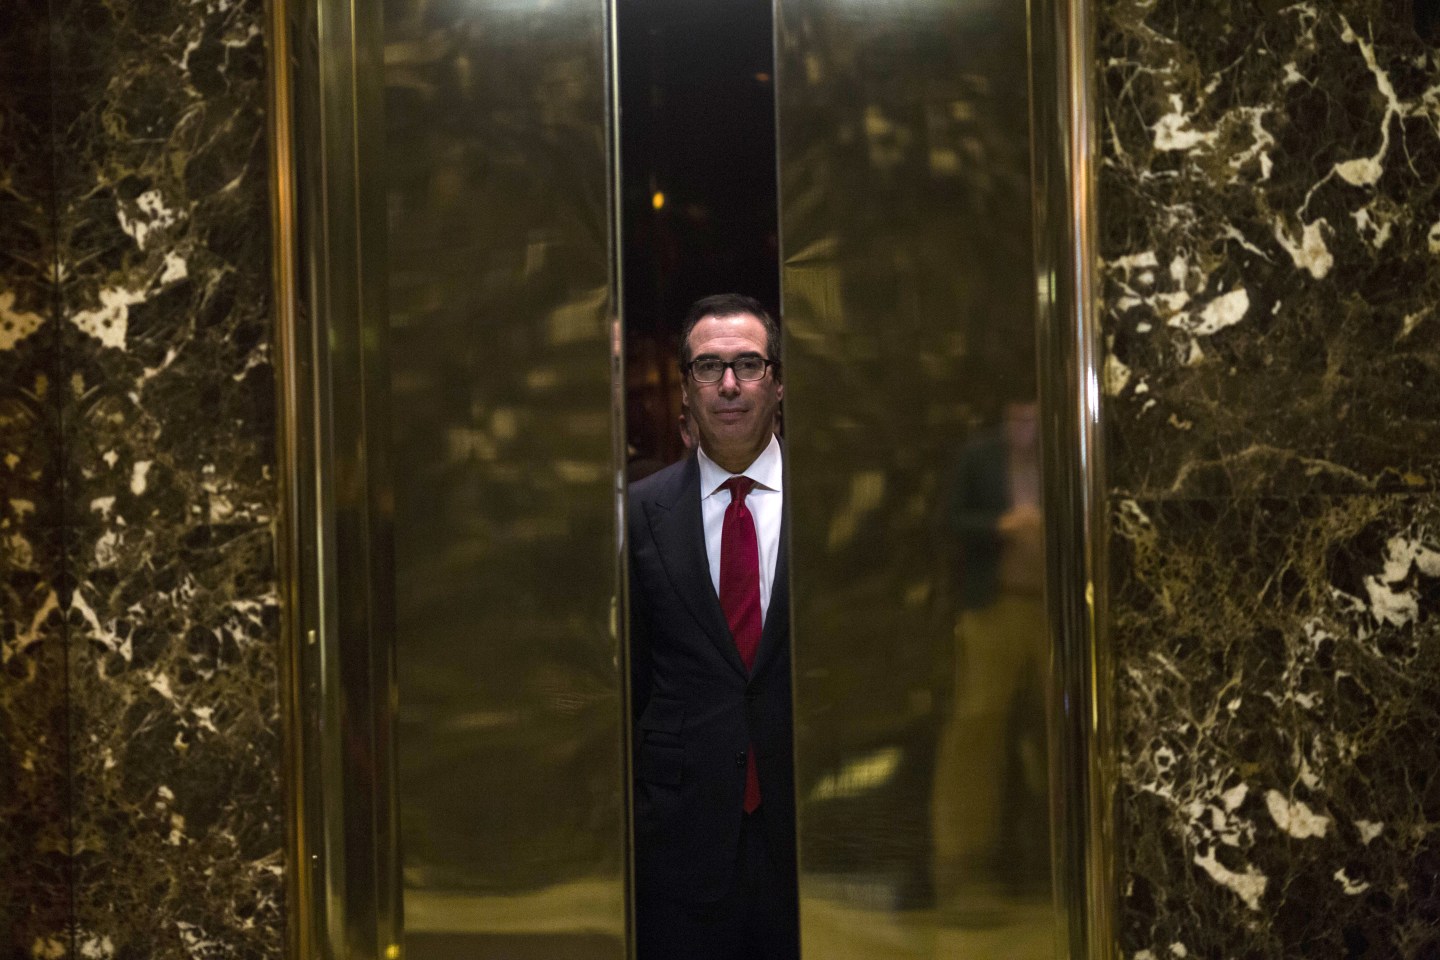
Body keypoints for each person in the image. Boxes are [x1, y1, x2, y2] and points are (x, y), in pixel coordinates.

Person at [627, 294, 798, 960]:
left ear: (778, 382)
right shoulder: (639, 514)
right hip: (679, 838)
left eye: (748, 364)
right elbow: (634, 680)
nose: (729, 384)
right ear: (686, 389)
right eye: (708, 367)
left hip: (808, 835)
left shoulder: (833, 501)